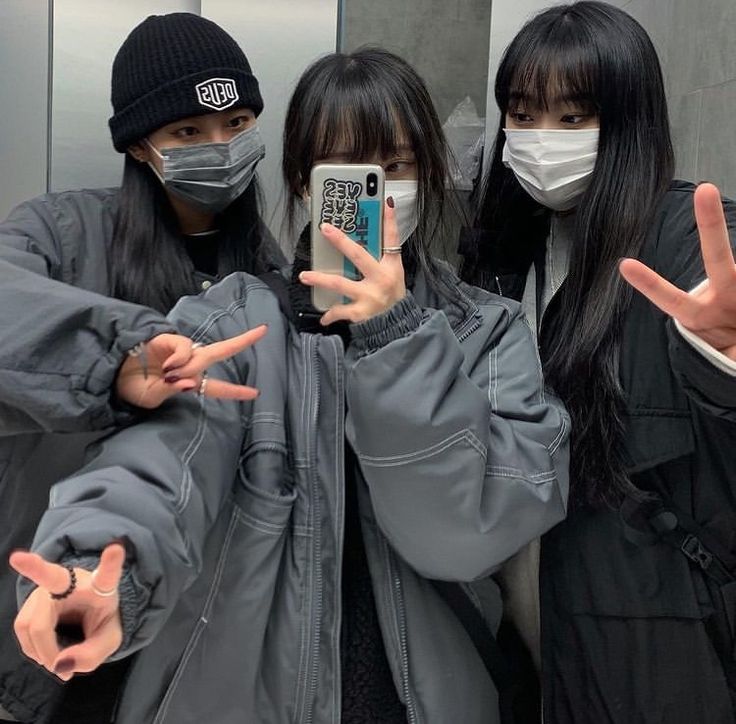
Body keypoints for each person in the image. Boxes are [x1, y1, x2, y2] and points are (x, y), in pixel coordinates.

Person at [9, 48, 570, 724]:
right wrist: (100, 572)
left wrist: (396, 335)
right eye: (347, 171)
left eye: (394, 168)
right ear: (306, 183)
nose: (377, 193)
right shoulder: (234, 320)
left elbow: (463, 538)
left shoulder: (489, 333)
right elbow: (160, 468)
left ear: (427, 170)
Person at [0, 12, 284, 724]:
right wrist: (117, 362)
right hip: (59, 621)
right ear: (138, 142)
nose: (220, 147)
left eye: (237, 122)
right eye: (187, 131)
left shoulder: (276, 278)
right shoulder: (61, 234)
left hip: (207, 655)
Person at [459, 2, 736, 722]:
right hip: (524, 646)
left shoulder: (682, 244)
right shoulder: (500, 257)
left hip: (658, 660)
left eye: (573, 118)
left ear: (629, 122)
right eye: (521, 114)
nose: (540, 140)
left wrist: (724, 354)